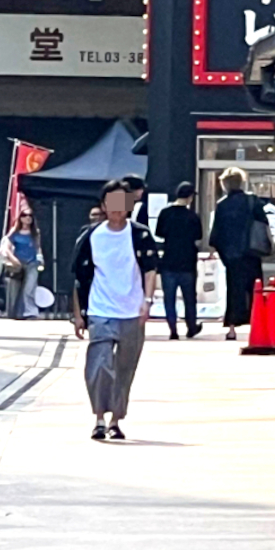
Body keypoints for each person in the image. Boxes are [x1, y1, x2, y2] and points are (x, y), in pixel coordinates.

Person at [71, 180, 159, 441]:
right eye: (112, 203)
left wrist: (147, 300)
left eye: (122, 203)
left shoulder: (140, 234)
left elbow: (150, 268)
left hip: (132, 310)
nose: (117, 209)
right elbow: (79, 277)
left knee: (125, 367)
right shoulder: (91, 237)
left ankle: (115, 419)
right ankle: (99, 417)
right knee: (99, 364)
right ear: (103, 205)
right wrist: (78, 314)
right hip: (101, 309)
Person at [207, 167, 264, 341]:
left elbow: (216, 235)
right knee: (255, 290)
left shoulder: (222, 205)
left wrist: (223, 253)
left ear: (225, 184)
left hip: (232, 256)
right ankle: (258, 326)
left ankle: (232, 327)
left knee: (234, 290)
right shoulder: (253, 201)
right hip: (252, 252)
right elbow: (263, 224)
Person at [154, 181, 203, 340]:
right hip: (187, 262)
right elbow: (198, 238)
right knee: (189, 297)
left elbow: (159, 233)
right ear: (189, 197)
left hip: (168, 260)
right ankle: (191, 327)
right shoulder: (192, 216)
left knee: (170, 298)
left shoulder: (165, 213)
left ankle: (173, 329)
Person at [0, 206, 45, 319]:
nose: (28, 218)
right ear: (20, 218)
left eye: (30, 216)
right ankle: (16, 313)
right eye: (24, 215)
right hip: (18, 264)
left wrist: (41, 259)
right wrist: (13, 259)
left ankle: (30, 312)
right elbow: (6, 248)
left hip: (32, 263)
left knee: (30, 288)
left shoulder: (35, 233)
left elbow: (38, 248)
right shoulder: (14, 232)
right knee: (15, 289)